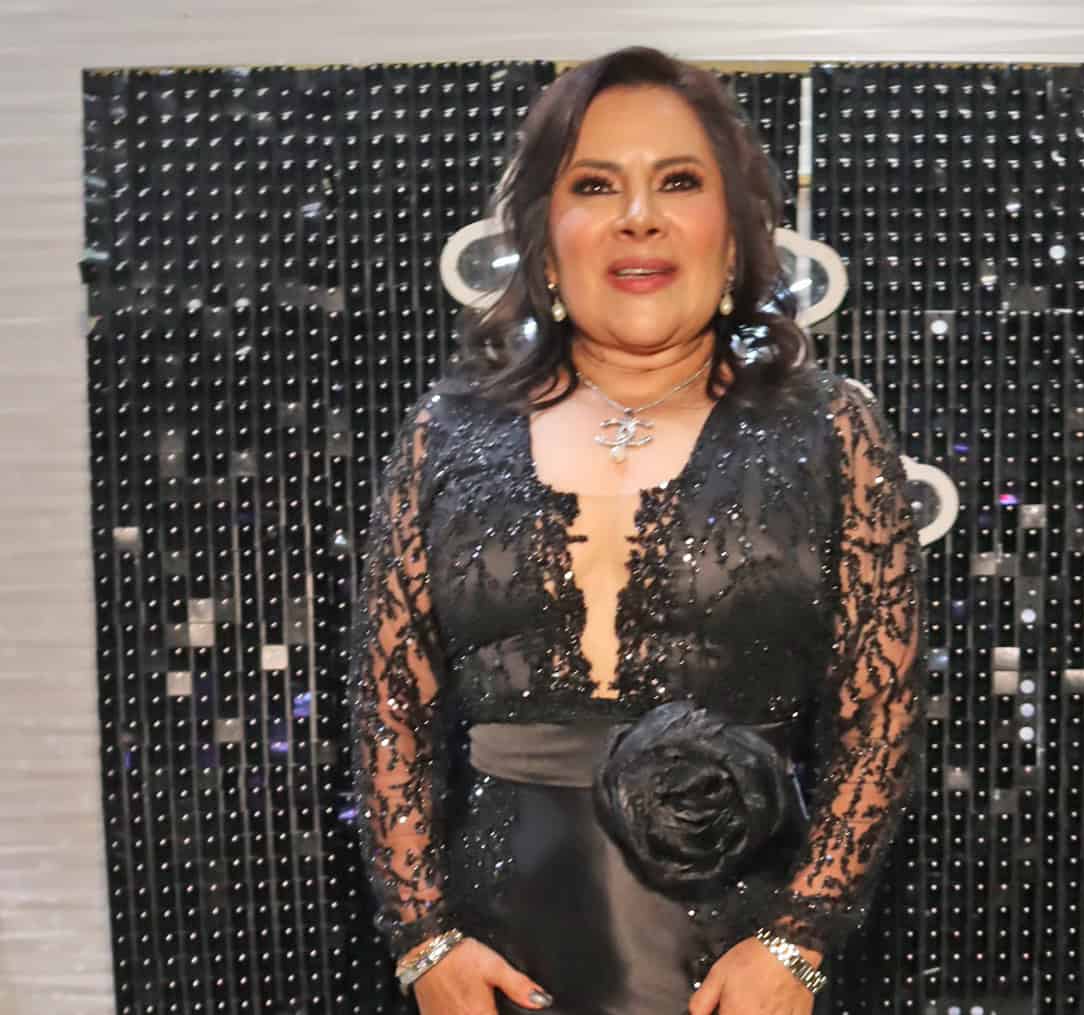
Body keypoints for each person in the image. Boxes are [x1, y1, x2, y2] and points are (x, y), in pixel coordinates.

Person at [348, 45, 926, 1015]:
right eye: (595, 184)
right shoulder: (446, 433)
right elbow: (389, 706)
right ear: (544, 238)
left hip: (741, 962)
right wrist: (423, 938)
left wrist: (801, 938)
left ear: (734, 233)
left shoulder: (831, 429)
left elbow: (880, 716)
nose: (638, 216)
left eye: (679, 181)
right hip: (499, 963)